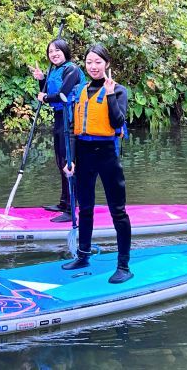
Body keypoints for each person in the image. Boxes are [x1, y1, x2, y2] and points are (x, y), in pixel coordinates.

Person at [61, 43, 132, 284]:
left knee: (118, 211)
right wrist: (69, 160)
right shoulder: (81, 90)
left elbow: (116, 121)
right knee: (86, 208)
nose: (93, 66)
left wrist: (110, 95)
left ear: (107, 64)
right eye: (89, 62)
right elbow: (72, 128)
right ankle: (83, 255)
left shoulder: (119, 90)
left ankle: (123, 265)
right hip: (84, 154)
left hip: (107, 154)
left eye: (98, 62)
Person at [29, 39, 85, 222]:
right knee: (59, 159)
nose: (54, 54)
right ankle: (64, 202)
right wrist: (42, 80)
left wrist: (44, 97)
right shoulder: (54, 70)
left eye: (57, 50)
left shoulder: (72, 69)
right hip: (60, 116)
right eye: (51, 51)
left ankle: (71, 209)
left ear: (65, 51)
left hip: (72, 117)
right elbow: (48, 96)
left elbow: (61, 95)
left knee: (69, 162)